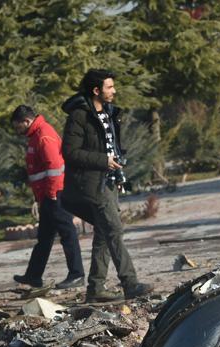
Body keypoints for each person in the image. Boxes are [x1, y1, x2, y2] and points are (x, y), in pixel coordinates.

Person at [60, 69, 153, 303]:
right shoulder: (79, 116)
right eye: (109, 87)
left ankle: (95, 289)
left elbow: (111, 145)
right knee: (114, 230)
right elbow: (70, 153)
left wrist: (119, 167)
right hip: (90, 185)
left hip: (109, 182)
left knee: (103, 233)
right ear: (96, 90)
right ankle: (130, 283)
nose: (114, 91)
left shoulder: (110, 113)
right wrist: (103, 161)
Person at [10, 105, 85, 290]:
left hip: (55, 193)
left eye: (18, 126)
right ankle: (33, 276)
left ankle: (77, 274)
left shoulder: (43, 135)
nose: (17, 130)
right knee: (44, 237)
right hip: (47, 195)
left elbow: (54, 167)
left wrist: (51, 194)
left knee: (67, 233)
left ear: (26, 121)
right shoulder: (36, 135)